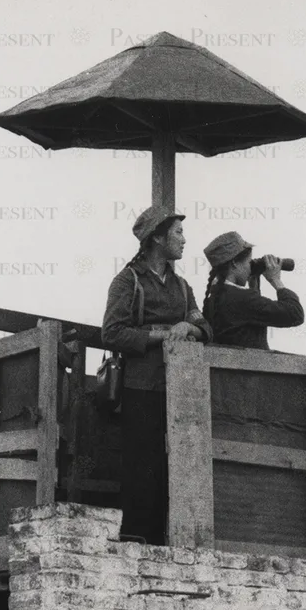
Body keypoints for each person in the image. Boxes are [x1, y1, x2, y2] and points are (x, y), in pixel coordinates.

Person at [101, 206, 212, 546]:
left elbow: (205, 326)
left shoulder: (181, 286)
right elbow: (112, 333)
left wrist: (187, 326)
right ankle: (136, 542)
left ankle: (169, 545)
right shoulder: (127, 281)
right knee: (141, 469)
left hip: (180, 391)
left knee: (176, 469)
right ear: (157, 239)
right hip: (140, 389)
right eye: (177, 233)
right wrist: (161, 336)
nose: (183, 239)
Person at [202, 230, 305, 349]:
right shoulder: (242, 299)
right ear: (234, 263)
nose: (249, 267)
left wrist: (254, 284)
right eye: (249, 262)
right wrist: (276, 280)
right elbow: (295, 313)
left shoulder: (214, 298)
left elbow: (250, 320)